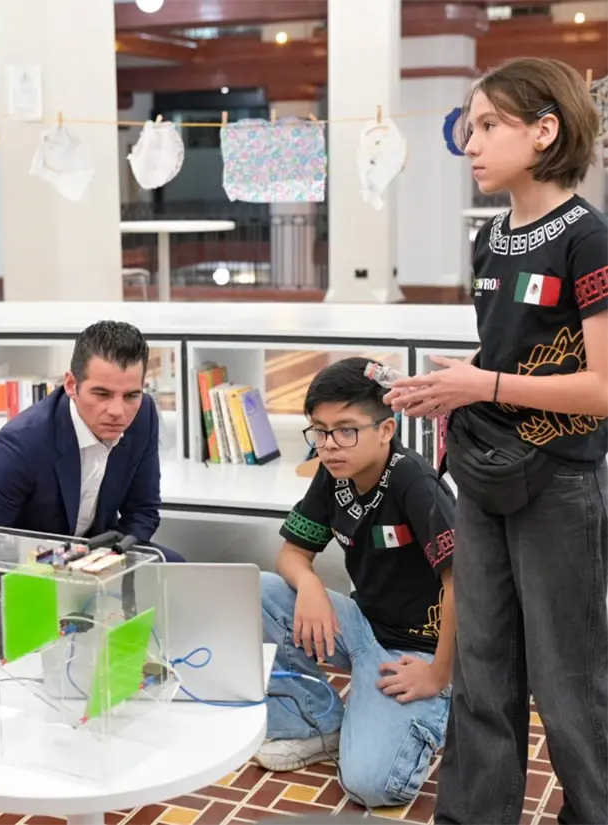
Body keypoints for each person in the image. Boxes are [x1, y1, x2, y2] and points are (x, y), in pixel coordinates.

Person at [386, 58, 608, 825]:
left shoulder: (589, 238)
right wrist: (455, 377)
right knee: (481, 670)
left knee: (569, 680)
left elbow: (599, 388)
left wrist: (476, 385)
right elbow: (507, 357)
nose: (470, 145)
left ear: (545, 131)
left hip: (559, 483)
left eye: (487, 126)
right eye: (467, 127)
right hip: (482, 477)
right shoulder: (489, 240)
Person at [254, 357, 456, 810]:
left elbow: (462, 580)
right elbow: (291, 554)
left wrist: (439, 673)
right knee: (262, 591)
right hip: (363, 625)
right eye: (320, 431)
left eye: (346, 430)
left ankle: (439, 705)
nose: (330, 445)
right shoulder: (334, 474)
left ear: (386, 430)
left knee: (370, 784)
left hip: (416, 652)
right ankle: (317, 724)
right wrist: (307, 584)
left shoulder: (414, 483)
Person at [0, 319, 182, 559]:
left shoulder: (144, 414)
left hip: (98, 554)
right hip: (29, 564)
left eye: (131, 395)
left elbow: (142, 511)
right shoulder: (21, 443)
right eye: (102, 394)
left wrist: (108, 559)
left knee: (176, 565)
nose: (117, 411)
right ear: (72, 384)